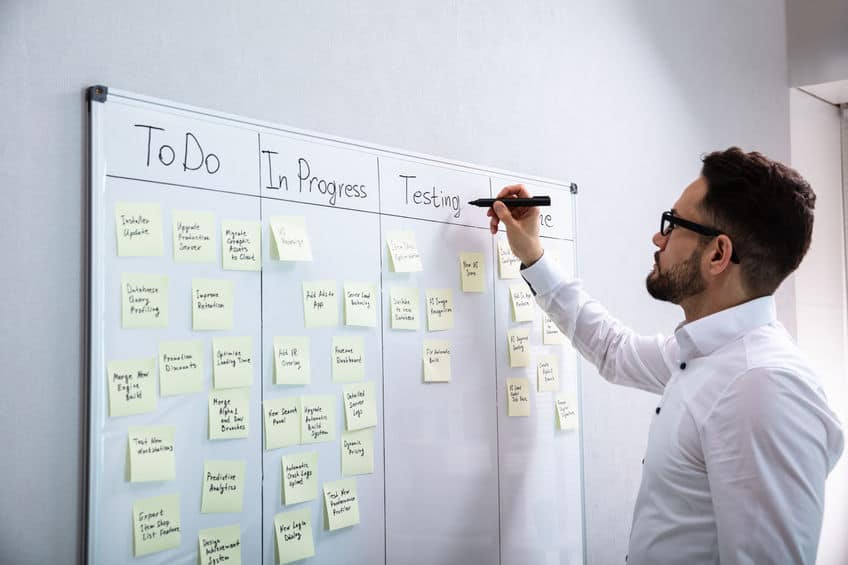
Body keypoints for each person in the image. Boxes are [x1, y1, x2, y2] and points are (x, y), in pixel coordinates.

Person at [488, 147, 844, 564]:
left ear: (718, 254)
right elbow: (613, 349)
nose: (659, 238)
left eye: (672, 224)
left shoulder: (762, 387)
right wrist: (533, 255)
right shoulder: (705, 356)